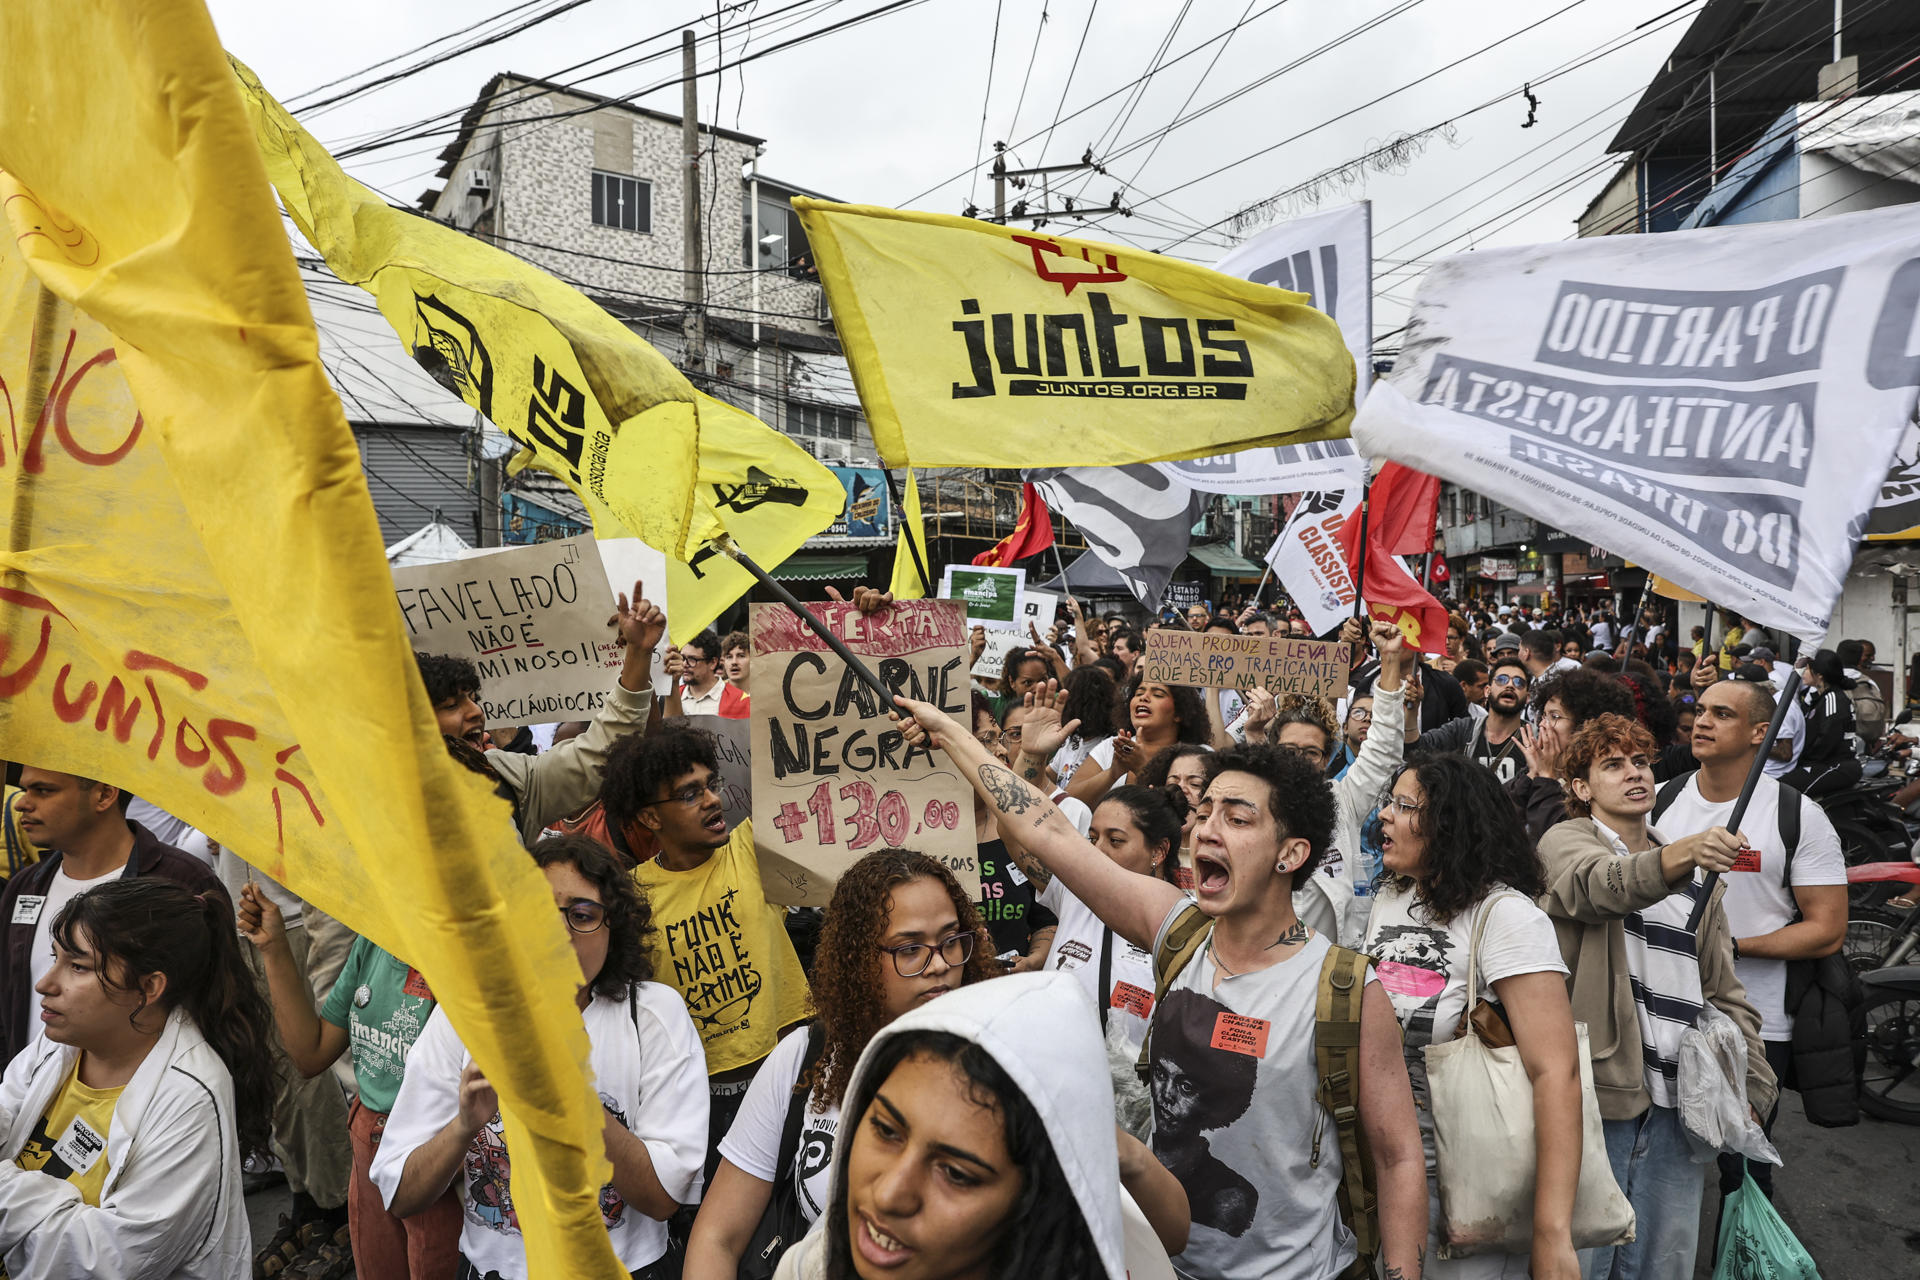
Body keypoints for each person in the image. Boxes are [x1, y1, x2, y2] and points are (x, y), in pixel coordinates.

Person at [892, 697, 1429, 1280]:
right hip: (1155, 1264)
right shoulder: (1179, 929)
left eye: (1238, 818)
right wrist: (950, 733)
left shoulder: (1344, 989)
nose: (1207, 830)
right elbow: (1046, 829)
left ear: (1291, 854)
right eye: (1205, 812)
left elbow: (1398, 1158)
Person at [370, 836, 709, 1279]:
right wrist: (465, 1126)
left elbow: (665, 1199)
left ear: (615, 928)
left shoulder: (653, 1015)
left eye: (582, 916)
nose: (559, 932)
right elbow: (400, 1196)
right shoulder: (464, 1018)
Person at [683, 849, 997, 1278]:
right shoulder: (803, 1058)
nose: (939, 963)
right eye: (910, 949)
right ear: (859, 960)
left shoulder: (1002, 1068)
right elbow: (718, 1237)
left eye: (950, 940)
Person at [1538, 715, 1775, 1280]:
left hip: (1682, 1105)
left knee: (1660, 1267)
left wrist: (1754, 1086)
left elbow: (1724, 992)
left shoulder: (1702, 877)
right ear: (1580, 788)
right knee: (1585, 1261)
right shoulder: (1566, 842)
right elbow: (1600, 887)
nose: (1633, 774)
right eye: (1612, 765)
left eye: (1640, 761)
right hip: (1598, 1100)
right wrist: (1687, 854)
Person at [771, 972, 1193, 1280]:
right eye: (885, 1131)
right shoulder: (810, 1267)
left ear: (1033, 1201)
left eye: (955, 1174)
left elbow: (1171, 1233)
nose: (888, 1195)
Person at [1364, 756, 1580, 1280]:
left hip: (1470, 1185)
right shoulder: (1393, 897)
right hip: (1382, 1174)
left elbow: (1558, 1073)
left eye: (1404, 806)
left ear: (1451, 824)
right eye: (1387, 803)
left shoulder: (1506, 917)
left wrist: (1553, 1232)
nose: (1384, 819)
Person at [0, 879, 274, 1279]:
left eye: (77, 966)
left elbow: (105, 1260)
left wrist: (6, 1188)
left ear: (148, 988)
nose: (46, 984)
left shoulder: (189, 1097)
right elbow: (6, 1110)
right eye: (54, 958)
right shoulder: (61, 1041)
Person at [1652, 679, 1846, 1201]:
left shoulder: (1796, 815)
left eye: (1722, 714)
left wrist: (1732, 947)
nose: (1703, 722)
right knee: (1657, 1160)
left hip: (1757, 1024)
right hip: (1662, 1011)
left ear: (1760, 732)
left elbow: (1826, 928)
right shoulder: (1660, 801)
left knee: (1743, 1172)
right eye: (1699, 710)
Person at [599, 722, 812, 1193]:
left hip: (793, 1073)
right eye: (690, 794)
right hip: (700, 1100)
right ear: (650, 819)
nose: (713, 799)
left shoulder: (755, 848)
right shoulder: (632, 899)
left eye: (711, 784)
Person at [236, 880, 460, 1280]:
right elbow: (312, 1053)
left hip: (433, 1162)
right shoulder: (373, 945)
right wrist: (273, 949)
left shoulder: (464, 965)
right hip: (368, 1148)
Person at [1, 770, 228, 1063]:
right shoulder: (26, 885)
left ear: (104, 794)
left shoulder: (180, 882)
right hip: (32, 1099)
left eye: (43, 791)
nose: (22, 803)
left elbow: (217, 1008)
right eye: (25, 789)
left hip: (147, 1101)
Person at [419, 581, 665, 843]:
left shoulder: (505, 776)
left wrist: (638, 654)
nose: (476, 712)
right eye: (451, 706)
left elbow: (596, 755)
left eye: (473, 698)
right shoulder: (377, 800)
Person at [1028, 786, 1186, 1055]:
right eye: (1092, 838)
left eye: (1115, 841)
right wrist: (1034, 753)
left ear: (1158, 852)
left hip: (1142, 1090)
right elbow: (1013, 831)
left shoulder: (1184, 922)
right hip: (1057, 1071)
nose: (1096, 851)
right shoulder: (1073, 891)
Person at [1065, 674, 1211, 806]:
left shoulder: (1199, 755)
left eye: (1158, 694)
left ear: (1179, 712)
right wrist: (1113, 773)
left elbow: (1186, 812)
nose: (1144, 697)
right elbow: (1069, 801)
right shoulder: (1113, 746)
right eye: (1139, 693)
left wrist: (1142, 769)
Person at [1788, 650, 1856, 791]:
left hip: (1835, 766)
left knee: (1784, 788)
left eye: (1807, 669)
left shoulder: (1833, 699)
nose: (1803, 673)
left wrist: (1804, 761)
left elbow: (1828, 738)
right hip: (1820, 763)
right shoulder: (1817, 699)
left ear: (1819, 675)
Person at [666, 629, 748, 719]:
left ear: (713, 663)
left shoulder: (741, 701)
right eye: (683, 658)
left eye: (692, 659)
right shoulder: (669, 697)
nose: (685, 664)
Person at [720, 631, 753, 711]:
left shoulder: (765, 694)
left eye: (741, 656)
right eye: (729, 657)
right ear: (723, 661)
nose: (734, 662)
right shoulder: (715, 693)